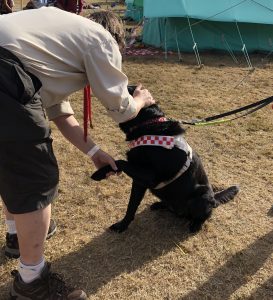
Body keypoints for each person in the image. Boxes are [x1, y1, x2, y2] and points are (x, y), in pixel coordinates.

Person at [0, 7, 155, 299]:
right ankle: (32, 282)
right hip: (6, 74)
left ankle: (16, 237)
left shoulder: (55, 35)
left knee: (10, 164)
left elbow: (58, 110)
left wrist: (94, 151)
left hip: (8, 71)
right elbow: (121, 109)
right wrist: (141, 100)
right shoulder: (100, 39)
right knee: (34, 179)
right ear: (116, 38)